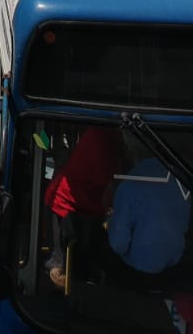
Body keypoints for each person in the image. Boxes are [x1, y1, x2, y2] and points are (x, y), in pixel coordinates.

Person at [43, 125, 124, 291]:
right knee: (60, 268)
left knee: (84, 258)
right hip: (66, 202)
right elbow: (108, 179)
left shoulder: (110, 134)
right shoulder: (101, 136)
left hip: (87, 204)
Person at [107, 156, 192, 276]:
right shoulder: (182, 180)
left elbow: (118, 244)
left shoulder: (130, 184)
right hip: (174, 268)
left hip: (135, 272)